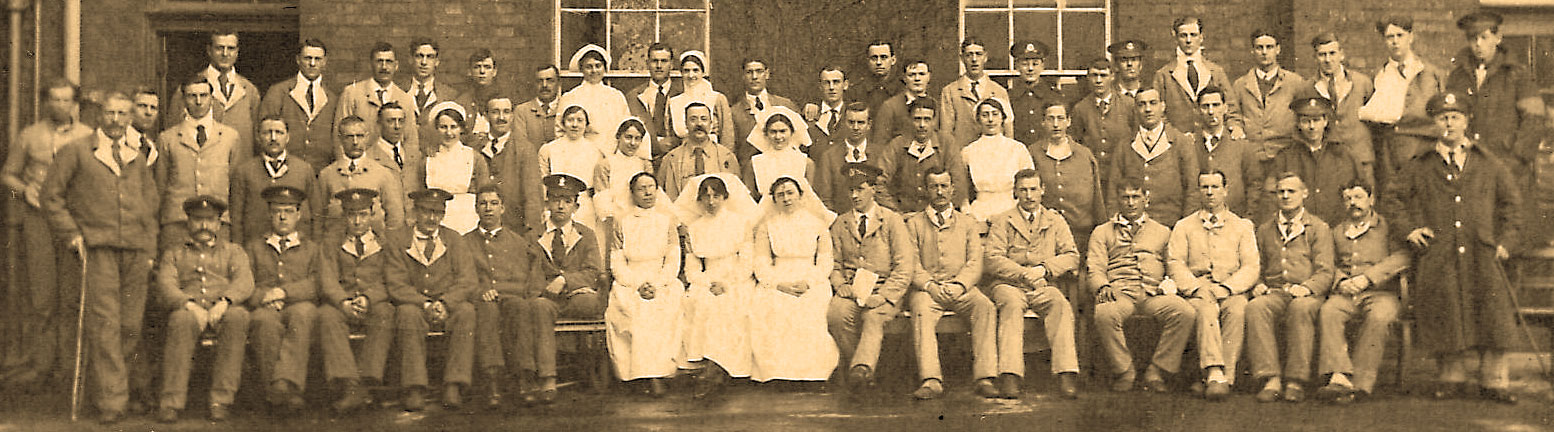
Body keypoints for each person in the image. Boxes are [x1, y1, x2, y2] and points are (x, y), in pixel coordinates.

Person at [1382, 91, 1523, 404]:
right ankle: (1451, 377)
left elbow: (1512, 205)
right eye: (1443, 117)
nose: (1449, 123)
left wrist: (1505, 243)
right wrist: (1410, 230)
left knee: (1491, 312)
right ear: (1434, 122)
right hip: (1440, 252)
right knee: (1447, 309)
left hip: (1482, 251)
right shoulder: (1420, 163)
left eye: (1455, 116)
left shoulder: (1488, 162)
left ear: (1466, 120)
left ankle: (1494, 379)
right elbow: (1392, 199)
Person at [37, 91, 159, 424]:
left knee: (130, 325)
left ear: (130, 117)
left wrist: (149, 250)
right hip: (98, 250)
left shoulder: (137, 155)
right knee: (106, 325)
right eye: (110, 113)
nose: (116, 119)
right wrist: (72, 233)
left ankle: (123, 389)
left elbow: (150, 207)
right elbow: (51, 198)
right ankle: (111, 401)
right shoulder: (76, 151)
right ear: (99, 115)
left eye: (123, 113)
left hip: (135, 252)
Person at [1, 78, 91, 391]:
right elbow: (7, 174)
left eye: (66, 100)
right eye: (54, 99)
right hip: (37, 221)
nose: (60, 105)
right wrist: (25, 190)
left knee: (70, 297)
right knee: (42, 298)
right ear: (45, 102)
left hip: (70, 220)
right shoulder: (29, 135)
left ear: (74, 104)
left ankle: (68, 368)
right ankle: (41, 366)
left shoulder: (87, 136)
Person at [1089, 177, 1197, 393]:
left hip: (1153, 294)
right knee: (1104, 313)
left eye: (1135, 197)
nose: (1130, 203)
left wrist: (1170, 282)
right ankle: (1125, 370)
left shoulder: (1163, 231)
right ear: (1118, 200)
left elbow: (1173, 264)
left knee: (1185, 312)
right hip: (1120, 294)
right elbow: (1095, 266)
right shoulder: (1102, 232)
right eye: (1125, 198)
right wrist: (1102, 286)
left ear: (1146, 199)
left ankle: (1157, 370)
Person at [155, 196, 253, 423]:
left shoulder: (233, 251)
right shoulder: (174, 253)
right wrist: (188, 304)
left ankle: (221, 400)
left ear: (219, 224)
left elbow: (244, 281)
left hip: (222, 309)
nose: (204, 226)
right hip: (189, 310)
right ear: (188, 222)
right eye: (198, 220)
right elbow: (166, 284)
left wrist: (225, 302)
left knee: (238, 317)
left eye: (210, 220)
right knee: (180, 320)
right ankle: (171, 402)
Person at [984, 169, 1081, 399]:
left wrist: (1044, 269)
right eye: (1023, 190)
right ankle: (1010, 375)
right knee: (1010, 305)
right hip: (1009, 284)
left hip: (1042, 284)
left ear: (1042, 191)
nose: (1029, 195)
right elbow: (992, 258)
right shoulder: (1003, 221)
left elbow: (1071, 255)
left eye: (1033, 189)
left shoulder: (1055, 221)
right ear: (1015, 192)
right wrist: (1022, 274)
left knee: (1059, 303)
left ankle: (1066, 373)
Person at [904, 167, 997, 400]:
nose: (939, 191)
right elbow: (911, 262)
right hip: (928, 291)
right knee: (921, 310)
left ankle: (985, 377)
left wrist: (960, 285)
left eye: (944, 186)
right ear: (926, 190)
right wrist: (930, 285)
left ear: (953, 189)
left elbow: (975, 262)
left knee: (984, 307)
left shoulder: (967, 223)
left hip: (961, 289)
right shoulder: (914, 223)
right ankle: (931, 379)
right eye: (934, 186)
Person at [1167, 170, 1259, 400]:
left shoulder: (1242, 226)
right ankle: (1214, 371)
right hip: (1199, 288)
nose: (1209, 192)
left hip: (1231, 287)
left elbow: (1250, 266)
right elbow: (1175, 262)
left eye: (1215, 187)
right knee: (1205, 308)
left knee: (1237, 309)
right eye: (1204, 187)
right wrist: (1195, 288)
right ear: (1198, 191)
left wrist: (1227, 288)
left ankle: (1223, 377)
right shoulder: (1184, 226)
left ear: (1226, 191)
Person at [1245, 172, 1335, 403]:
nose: (1285, 196)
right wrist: (1258, 284)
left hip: (1308, 294)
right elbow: (1257, 265)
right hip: (1275, 291)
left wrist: (1307, 288)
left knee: (1301, 309)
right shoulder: (1265, 229)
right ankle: (1271, 377)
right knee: (1256, 307)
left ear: (1304, 193)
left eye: (1291, 191)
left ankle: (1296, 380)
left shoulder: (1318, 227)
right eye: (1280, 192)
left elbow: (1326, 272)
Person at [1316, 181, 1407, 404]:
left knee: (1379, 317)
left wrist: (1369, 278)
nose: (1353, 203)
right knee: (1329, 311)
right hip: (1346, 293)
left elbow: (1402, 257)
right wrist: (1341, 281)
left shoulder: (1387, 227)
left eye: (1358, 197)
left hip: (1381, 293)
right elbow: (1328, 263)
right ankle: (1340, 376)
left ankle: (1361, 383)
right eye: (1348, 199)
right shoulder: (1336, 231)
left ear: (1371, 199)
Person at [386, 188, 477, 410]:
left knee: (466, 311)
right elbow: (395, 283)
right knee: (407, 314)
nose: (432, 218)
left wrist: (446, 302)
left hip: (447, 304)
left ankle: (453, 384)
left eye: (438, 212)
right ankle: (414, 386)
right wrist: (423, 303)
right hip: (415, 304)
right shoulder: (398, 239)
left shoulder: (453, 239)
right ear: (415, 212)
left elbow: (468, 279)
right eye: (426, 211)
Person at [827, 163, 913, 393]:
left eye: (861, 189)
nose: (854, 195)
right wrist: (841, 284)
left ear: (873, 189)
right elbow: (833, 264)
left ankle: (861, 370)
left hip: (885, 290)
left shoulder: (892, 221)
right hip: (852, 290)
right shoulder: (840, 223)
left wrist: (884, 296)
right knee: (837, 314)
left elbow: (904, 267)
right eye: (850, 190)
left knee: (874, 318)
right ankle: (860, 369)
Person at [673, 173, 759, 398]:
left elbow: (747, 262)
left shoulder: (740, 223)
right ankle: (709, 365)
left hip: (737, 277)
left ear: (725, 197)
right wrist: (708, 282)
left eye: (716, 196)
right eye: (706, 197)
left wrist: (728, 283)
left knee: (730, 303)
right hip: (707, 279)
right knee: (699, 301)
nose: (711, 202)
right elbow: (691, 270)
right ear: (699, 200)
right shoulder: (695, 227)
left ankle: (718, 368)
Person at [749, 176, 839, 383]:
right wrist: (779, 285)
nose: (786, 198)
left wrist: (809, 282)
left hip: (810, 277)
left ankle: (814, 374)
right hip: (778, 277)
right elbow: (761, 263)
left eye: (790, 193)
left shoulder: (817, 224)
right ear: (774, 199)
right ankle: (777, 374)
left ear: (800, 195)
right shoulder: (767, 226)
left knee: (810, 307)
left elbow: (825, 262)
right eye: (780, 195)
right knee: (770, 305)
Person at [526, 174, 608, 402]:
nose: (560, 205)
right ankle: (548, 377)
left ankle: (587, 367)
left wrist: (565, 281)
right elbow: (530, 272)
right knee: (540, 308)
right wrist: (544, 289)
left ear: (576, 206)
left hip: (575, 297)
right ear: (547, 203)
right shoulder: (535, 235)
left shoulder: (586, 235)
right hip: (546, 298)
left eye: (567, 200)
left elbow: (593, 271)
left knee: (591, 302)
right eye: (555, 199)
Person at [464, 184, 544, 408]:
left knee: (519, 307)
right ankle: (492, 381)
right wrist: (480, 291)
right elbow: (462, 278)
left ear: (503, 208)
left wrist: (509, 292)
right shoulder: (465, 243)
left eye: (493, 203)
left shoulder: (518, 242)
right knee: (487, 309)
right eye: (483, 204)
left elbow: (528, 277)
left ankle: (524, 378)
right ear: (476, 208)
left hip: (511, 297)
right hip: (481, 300)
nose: (488, 209)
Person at [244, 186, 321, 412]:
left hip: (298, 303)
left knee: (303, 314)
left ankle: (285, 385)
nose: (282, 216)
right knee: (262, 321)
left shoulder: (311, 248)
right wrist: (264, 297)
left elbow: (316, 282)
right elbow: (245, 282)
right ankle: (281, 390)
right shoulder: (255, 247)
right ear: (269, 214)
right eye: (277, 211)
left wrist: (285, 293)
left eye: (288, 211)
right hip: (265, 305)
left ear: (299, 215)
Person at [605, 173, 682, 397]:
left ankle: (660, 372)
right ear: (633, 193)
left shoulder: (667, 220)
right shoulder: (623, 222)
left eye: (651, 187)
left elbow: (673, 259)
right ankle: (643, 373)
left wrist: (657, 284)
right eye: (641, 189)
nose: (648, 193)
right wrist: (637, 284)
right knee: (636, 311)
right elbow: (617, 261)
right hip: (630, 280)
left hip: (661, 279)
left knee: (663, 309)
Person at [1445, 11, 1547, 177]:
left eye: (1484, 37)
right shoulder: (1457, 77)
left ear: (1497, 38)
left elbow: (1534, 121)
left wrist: (1517, 158)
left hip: (1509, 168)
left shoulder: (1517, 75)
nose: (1478, 44)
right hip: (1470, 167)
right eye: (1473, 38)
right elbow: (1450, 118)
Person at [315, 188, 390, 413]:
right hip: (343, 302)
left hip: (373, 303)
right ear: (344, 216)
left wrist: (369, 297)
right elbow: (326, 278)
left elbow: (391, 278)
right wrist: (342, 301)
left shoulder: (384, 242)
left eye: (363, 214)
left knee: (386, 313)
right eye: (351, 215)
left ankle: (368, 381)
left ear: (372, 214)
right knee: (326, 315)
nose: (357, 221)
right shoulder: (331, 242)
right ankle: (349, 384)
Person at [158, 75, 244, 250]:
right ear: (183, 100)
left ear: (212, 99)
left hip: (217, 223)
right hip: (178, 223)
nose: (198, 101)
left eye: (203, 96)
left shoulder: (229, 137)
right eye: (192, 96)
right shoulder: (168, 138)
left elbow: (235, 187)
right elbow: (160, 186)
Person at [1361, 16, 1446, 188]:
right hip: (1389, 151)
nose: (1395, 42)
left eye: (1400, 35)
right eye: (1389, 37)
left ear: (1411, 37)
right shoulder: (1380, 75)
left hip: (1422, 147)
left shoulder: (1431, 74)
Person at [1108, 88, 1201, 224]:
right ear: (1135, 109)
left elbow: (1193, 189)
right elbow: (1113, 190)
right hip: (1133, 227)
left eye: (1153, 103)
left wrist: (1184, 227)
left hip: (1171, 225)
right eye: (1141, 104)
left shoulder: (1181, 142)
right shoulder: (1124, 145)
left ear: (1163, 106)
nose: (1148, 109)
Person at [1266, 97, 1365, 225]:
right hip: (1299, 231)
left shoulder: (1344, 155)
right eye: (1306, 121)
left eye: (1316, 120)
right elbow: (1270, 196)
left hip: (1338, 228)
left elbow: (1362, 192)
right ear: (1299, 124)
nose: (1312, 127)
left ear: (1325, 121)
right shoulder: (1285, 157)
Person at [166, 30, 260, 157]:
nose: (225, 53)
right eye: (219, 48)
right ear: (209, 50)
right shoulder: (189, 88)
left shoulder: (249, 91)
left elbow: (258, 137)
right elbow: (172, 134)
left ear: (237, 52)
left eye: (230, 48)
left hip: (239, 167)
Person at [1027, 101, 1105, 251]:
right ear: (1043, 122)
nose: (1056, 124)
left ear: (1069, 121)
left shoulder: (1084, 154)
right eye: (1050, 119)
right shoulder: (1033, 153)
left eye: (1061, 118)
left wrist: (1101, 230)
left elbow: (1097, 196)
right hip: (1045, 233)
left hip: (1081, 231)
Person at [229, 116, 319, 245]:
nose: (273, 138)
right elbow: (236, 219)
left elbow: (317, 214)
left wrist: (313, 249)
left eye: (279, 132)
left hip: (297, 249)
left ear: (288, 137)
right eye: (267, 133)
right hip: (255, 248)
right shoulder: (244, 172)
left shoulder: (304, 170)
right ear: (258, 137)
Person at [1230, 30, 1306, 179]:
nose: (1264, 52)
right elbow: (1233, 114)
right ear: (1252, 50)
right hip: (1252, 155)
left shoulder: (1295, 82)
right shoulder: (1240, 85)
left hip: (1285, 154)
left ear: (1278, 49)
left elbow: (1303, 115)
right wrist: (1236, 127)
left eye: (1269, 47)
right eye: (1259, 48)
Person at [1307, 33, 1378, 186]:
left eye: (1332, 53)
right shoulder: (1308, 87)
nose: (1327, 59)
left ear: (1342, 54)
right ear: (1315, 58)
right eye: (1322, 55)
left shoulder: (1362, 83)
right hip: (1328, 159)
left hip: (1361, 157)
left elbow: (1375, 123)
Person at [317, 116, 406, 235]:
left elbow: (395, 218)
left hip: (374, 246)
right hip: (336, 247)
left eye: (359, 136)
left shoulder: (383, 174)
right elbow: (318, 217)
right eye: (349, 137)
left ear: (367, 137)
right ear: (340, 139)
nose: (355, 142)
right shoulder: (327, 175)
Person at [260, 38, 338, 172]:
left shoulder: (332, 98)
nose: (312, 63)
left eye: (317, 59)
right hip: (286, 171)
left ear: (325, 62)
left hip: (321, 171)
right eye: (307, 58)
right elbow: (264, 133)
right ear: (298, 60)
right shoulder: (278, 92)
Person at [474, 92, 542, 233]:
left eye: (506, 112)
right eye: (495, 112)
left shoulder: (525, 149)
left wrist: (531, 233)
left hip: (514, 228)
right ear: (486, 116)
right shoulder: (474, 147)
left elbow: (533, 197)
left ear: (512, 116)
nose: (501, 118)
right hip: (478, 228)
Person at [1191, 86, 1261, 221]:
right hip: (1198, 222)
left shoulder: (1241, 145)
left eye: (1216, 105)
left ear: (1225, 108)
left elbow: (1255, 185)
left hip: (1234, 221)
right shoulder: (1189, 144)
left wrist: (1248, 219)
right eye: (1205, 106)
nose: (1211, 111)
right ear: (1198, 110)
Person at [1153, 16, 1236, 131]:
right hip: (1178, 143)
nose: (1188, 40)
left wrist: (1233, 128)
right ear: (1176, 38)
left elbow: (1231, 109)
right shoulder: (1163, 75)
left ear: (1201, 37)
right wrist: (1176, 137)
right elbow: (1157, 114)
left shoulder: (1216, 72)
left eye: (1193, 35)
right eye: (1183, 35)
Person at [889, 98, 969, 214]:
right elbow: (880, 182)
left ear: (934, 121)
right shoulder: (897, 145)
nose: (922, 125)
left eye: (927, 119)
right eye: (917, 119)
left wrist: (940, 212)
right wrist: (897, 213)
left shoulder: (946, 143)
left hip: (938, 215)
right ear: (909, 120)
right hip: (906, 217)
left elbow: (958, 183)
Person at [1069, 57, 1136, 193]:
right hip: (1093, 177)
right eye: (1094, 75)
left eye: (1103, 75)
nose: (1098, 80)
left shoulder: (1129, 105)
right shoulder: (1080, 108)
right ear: (1088, 77)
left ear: (1112, 77)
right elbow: (1075, 143)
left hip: (1122, 175)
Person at [422, 102, 490, 234]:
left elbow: (484, 193)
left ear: (461, 129)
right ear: (436, 129)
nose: (449, 133)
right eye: (443, 127)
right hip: (437, 218)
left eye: (453, 127)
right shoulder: (428, 159)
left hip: (467, 219)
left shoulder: (474, 158)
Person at [815, 102, 896, 213]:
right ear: (844, 123)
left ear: (869, 124)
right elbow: (825, 199)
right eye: (851, 122)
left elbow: (887, 191)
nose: (855, 127)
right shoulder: (829, 156)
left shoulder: (882, 154)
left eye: (861, 123)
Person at [962, 98, 1033, 224]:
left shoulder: (1017, 149)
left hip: (1013, 209)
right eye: (985, 115)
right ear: (978, 120)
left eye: (995, 114)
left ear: (1002, 118)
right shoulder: (968, 151)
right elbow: (962, 188)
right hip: (979, 213)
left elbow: (1030, 183)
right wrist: (967, 212)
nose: (990, 120)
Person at [538, 104, 606, 234]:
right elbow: (542, 181)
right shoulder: (549, 149)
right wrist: (545, 208)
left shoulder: (595, 151)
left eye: (580, 120)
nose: (575, 125)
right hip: (556, 204)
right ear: (563, 124)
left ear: (586, 125)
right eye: (570, 120)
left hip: (584, 206)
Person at [559, 44, 633, 157]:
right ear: (581, 69)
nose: (594, 71)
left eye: (598, 66)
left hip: (613, 155)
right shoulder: (571, 97)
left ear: (604, 68)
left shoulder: (616, 96)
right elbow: (560, 131)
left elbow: (626, 128)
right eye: (589, 67)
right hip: (580, 155)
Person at [658, 102, 741, 199]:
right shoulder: (670, 159)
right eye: (693, 119)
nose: (699, 124)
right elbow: (660, 198)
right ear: (686, 124)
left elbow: (737, 196)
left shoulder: (726, 156)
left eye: (704, 119)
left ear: (711, 123)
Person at [336, 42, 418, 139]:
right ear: (370, 65)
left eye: (389, 62)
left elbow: (410, 140)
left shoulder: (405, 99)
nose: (384, 67)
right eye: (379, 61)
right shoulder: (352, 93)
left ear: (396, 66)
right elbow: (339, 134)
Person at [731, 58, 801, 171]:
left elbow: (800, 139)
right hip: (751, 174)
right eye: (749, 72)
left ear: (767, 74)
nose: (754, 77)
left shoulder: (785, 105)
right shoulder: (734, 112)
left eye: (759, 71)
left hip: (786, 170)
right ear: (743, 76)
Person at [940, 39, 1011, 148]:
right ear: (962, 59)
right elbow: (946, 132)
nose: (974, 59)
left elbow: (1008, 130)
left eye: (978, 54)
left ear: (985, 57)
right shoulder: (950, 92)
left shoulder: (999, 91)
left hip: (995, 155)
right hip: (962, 154)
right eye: (969, 55)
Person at [594, 118, 656, 237]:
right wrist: (614, 220)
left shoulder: (644, 165)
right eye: (628, 137)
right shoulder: (605, 164)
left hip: (640, 220)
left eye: (637, 139)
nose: (632, 143)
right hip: (613, 222)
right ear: (618, 137)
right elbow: (602, 200)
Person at [667, 50, 737, 150]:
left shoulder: (717, 99)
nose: (691, 75)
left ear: (703, 72)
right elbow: (671, 137)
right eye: (686, 71)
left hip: (713, 152)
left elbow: (727, 135)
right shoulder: (674, 102)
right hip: (684, 153)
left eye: (695, 70)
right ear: (681, 73)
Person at [743, 107, 818, 199]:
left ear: (792, 132)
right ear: (766, 134)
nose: (778, 137)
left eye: (783, 131)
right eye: (773, 132)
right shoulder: (755, 163)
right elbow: (749, 199)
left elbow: (810, 198)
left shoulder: (806, 162)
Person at [625, 43, 682, 159]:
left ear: (671, 64)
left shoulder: (682, 94)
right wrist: (656, 145)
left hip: (677, 159)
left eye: (664, 61)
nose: (659, 66)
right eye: (654, 61)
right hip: (643, 159)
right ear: (647, 64)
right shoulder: (634, 96)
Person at [1009, 40, 1069, 147]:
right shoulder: (1009, 97)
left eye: (1035, 64)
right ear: (1017, 66)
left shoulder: (1054, 96)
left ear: (1043, 66)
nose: (1030, 69)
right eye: (1024, 64)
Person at [365, 103, 424, 201]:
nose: (397, 126)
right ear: (379, 124)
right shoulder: (368, 158)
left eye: (401, 121)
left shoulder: (415, 154)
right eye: (390, 121)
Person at [871, 59, 934, 147]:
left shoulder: (935, 105)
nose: (917, 79)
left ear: (929, 77)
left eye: (922, 74)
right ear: (904, 78)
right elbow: (880, 143)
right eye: (912, 75)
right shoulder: (890, 106)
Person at [406, 37, 465, 120]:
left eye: (430, 57)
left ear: (437, 61)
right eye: (419, 56)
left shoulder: (449, 95)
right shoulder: (398, 91)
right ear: (410, 59)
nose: (424, 62)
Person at [515, 65, 562, 160]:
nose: (544, 85)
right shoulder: (522, 111)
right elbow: (521, 146)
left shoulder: (565, 108)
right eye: (539, 81)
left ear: (558, 83)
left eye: (550, 80)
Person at [804, 66, 852, 155]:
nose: (831, 87)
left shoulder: (852, 114)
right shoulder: (810, 115)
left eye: (836, 82)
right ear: (820, 86)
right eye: (826, 83)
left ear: (845, 85)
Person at [850, 40, 903, 113]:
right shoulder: (855, 92)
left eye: (883, 57)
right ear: (868, 61)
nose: (878, 62)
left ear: (893, 60)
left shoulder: (902, 90)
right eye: (874, 58)